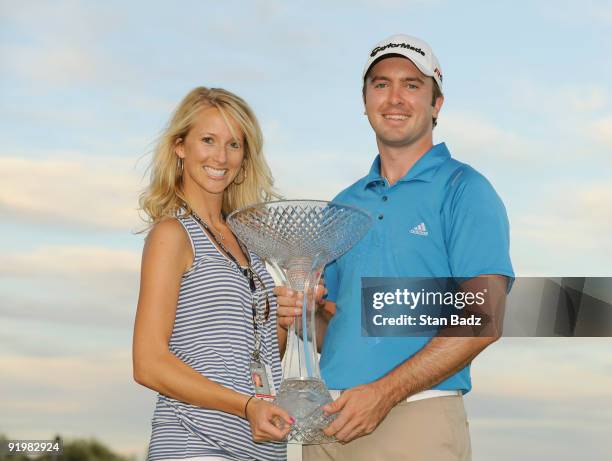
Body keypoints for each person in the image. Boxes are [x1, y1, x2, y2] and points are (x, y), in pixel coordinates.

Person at [276, 34, 514, 460]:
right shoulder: (343, 204)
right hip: (328, 421)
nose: (395, 98)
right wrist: (305, 315)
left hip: (414, 415)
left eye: (412, 84)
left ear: (436, 104)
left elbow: (484, 317)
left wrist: (384, 394)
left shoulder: (465, 190)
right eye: (381, 84)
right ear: (365, 100)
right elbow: (334, 329)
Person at [133, 86, 292, 461]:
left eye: (234, 144)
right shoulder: (173, 235)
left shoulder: (252, 244)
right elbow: (148, 363)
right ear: (180, 147)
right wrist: (246, 406)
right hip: (196, 442)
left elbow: (256, 353)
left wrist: (284, 323)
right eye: (208, 140)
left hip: (262, 448)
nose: (221, 156)